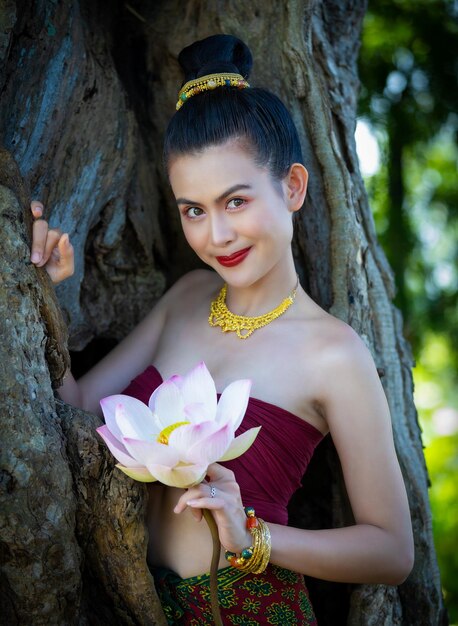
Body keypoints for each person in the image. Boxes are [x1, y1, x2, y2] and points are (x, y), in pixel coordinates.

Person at [30, 34, 414, 625]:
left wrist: (254, 537)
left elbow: (392, 551)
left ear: (293, 187)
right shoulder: (187, 297)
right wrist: (43, 294)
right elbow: (76, 406)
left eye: (235, 201)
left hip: (246, 610)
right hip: (126, 601)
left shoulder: (335, 354)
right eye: (194, 210)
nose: (217, 236)